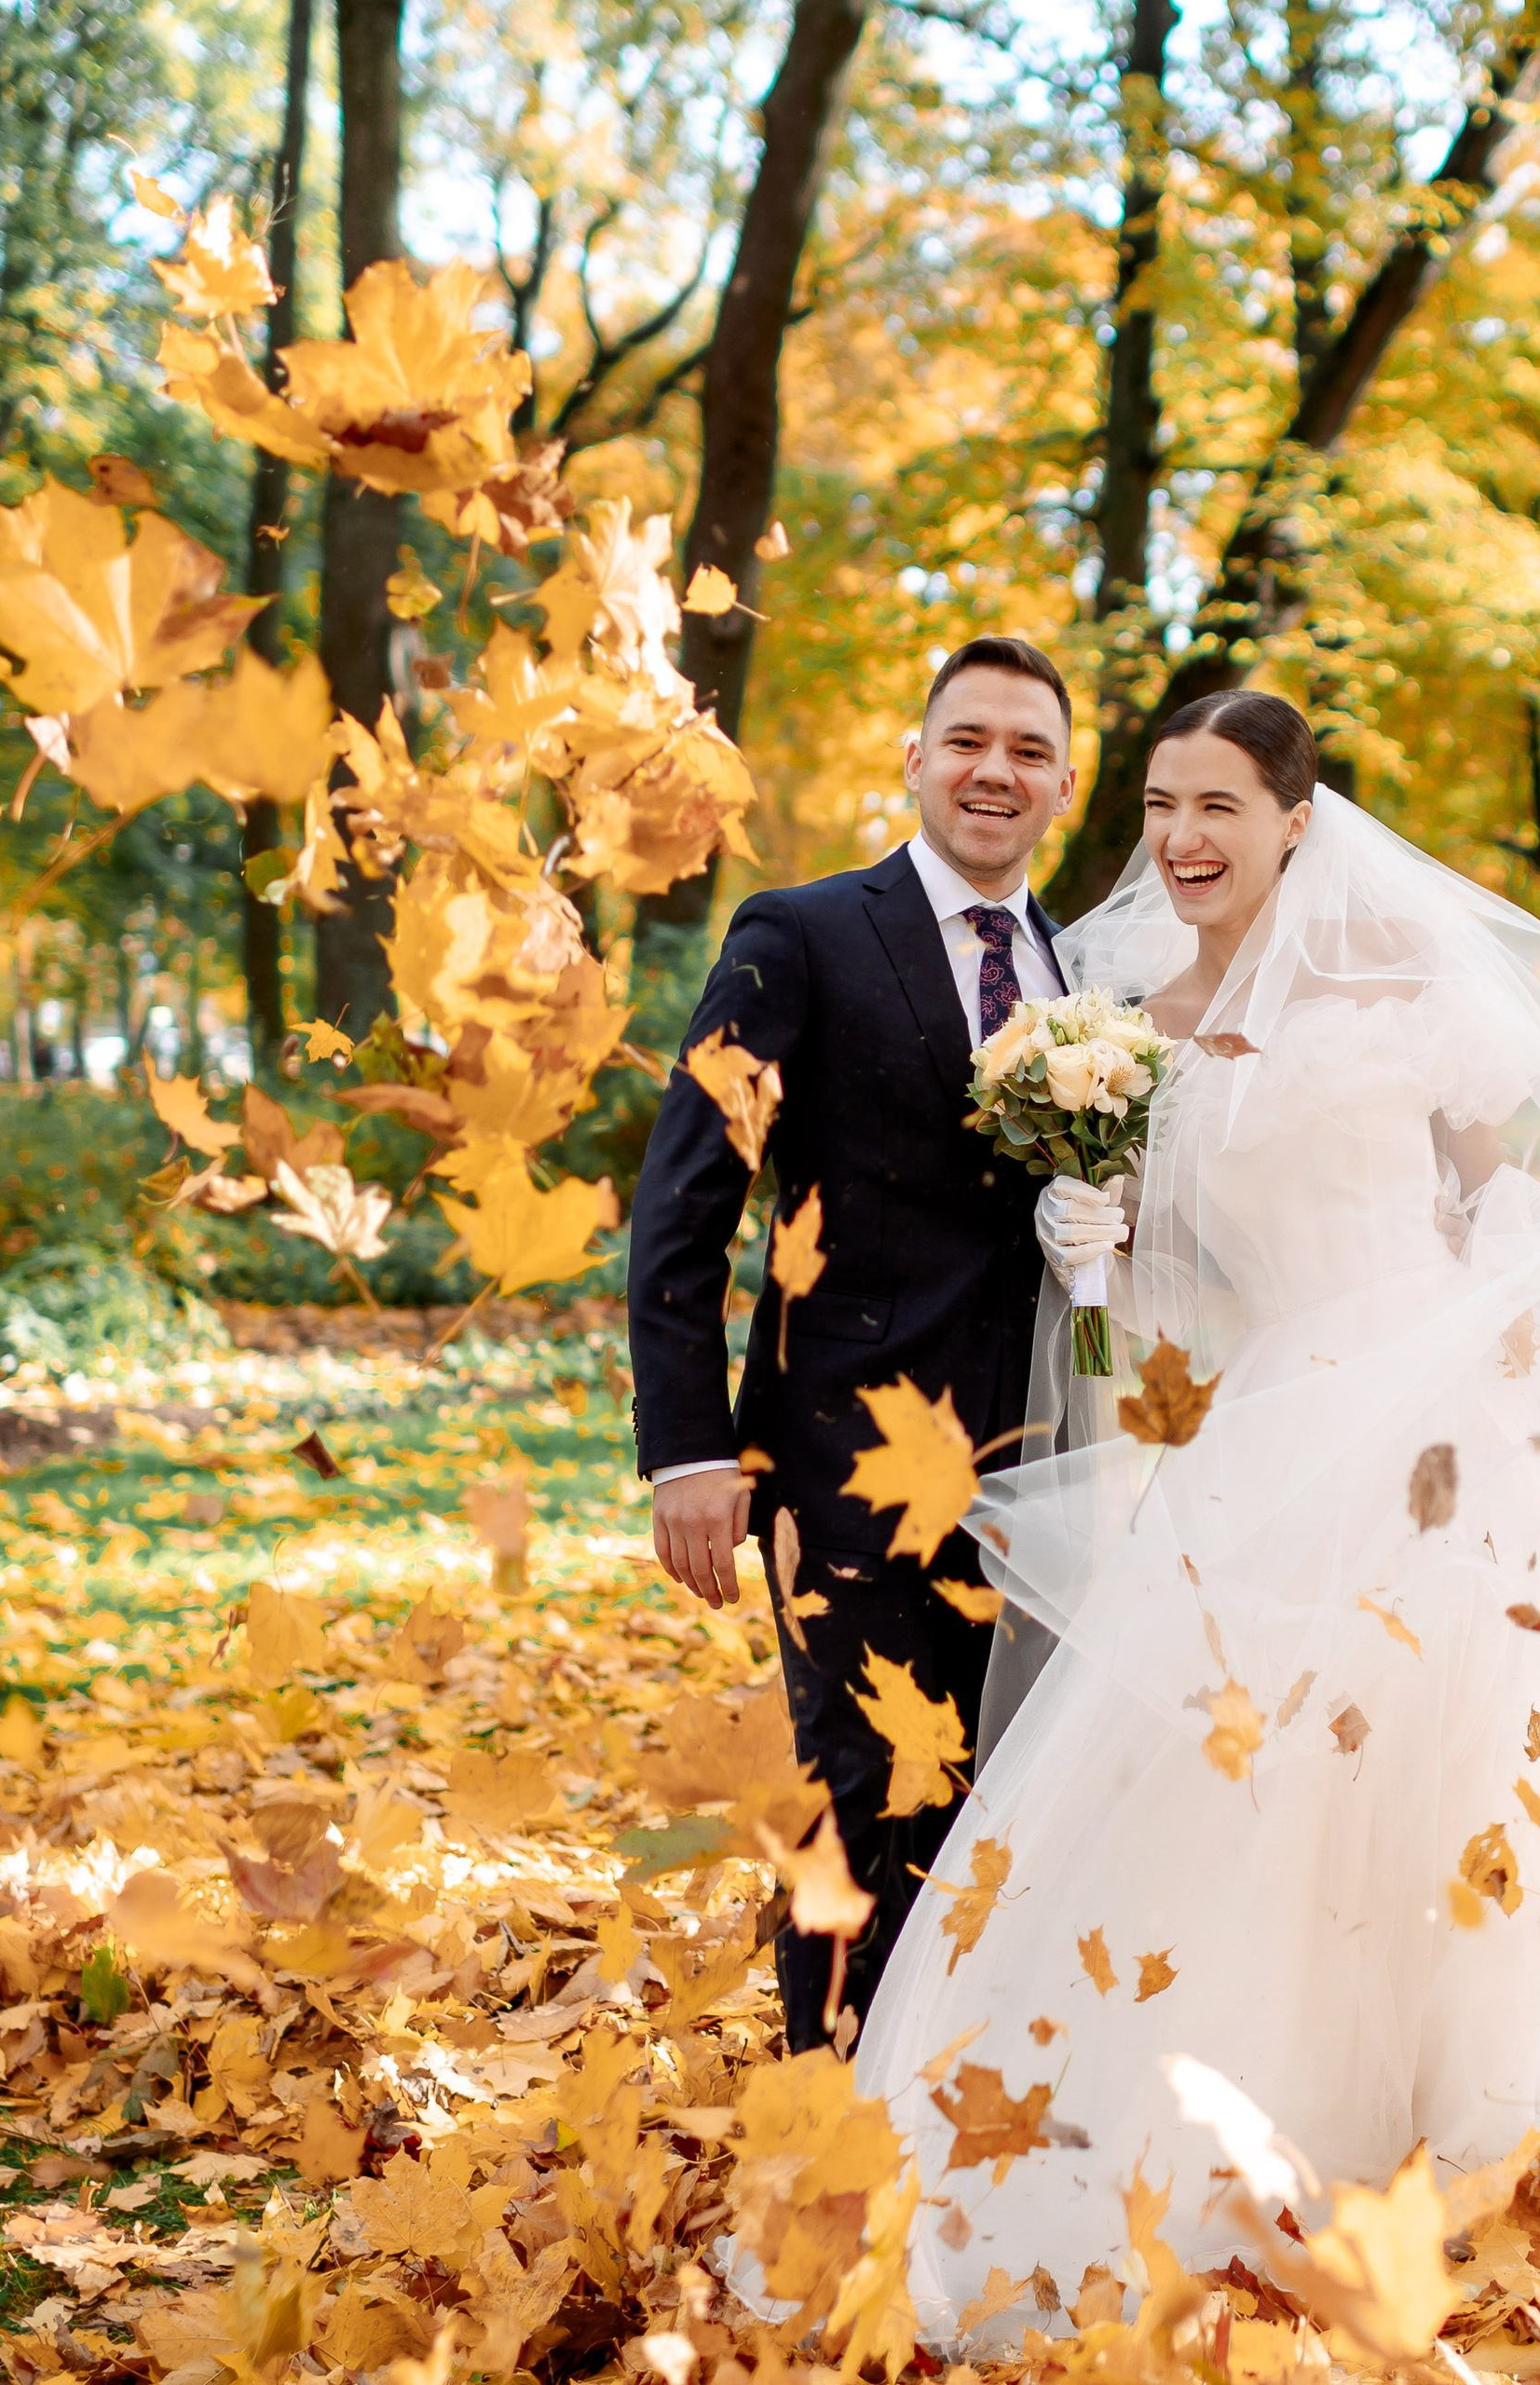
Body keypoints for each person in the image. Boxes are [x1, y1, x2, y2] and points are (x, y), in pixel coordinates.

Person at [852, 690, 1540, 2335]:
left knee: (1438, 1772)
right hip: (1259, 1439)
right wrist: (1089, 1244)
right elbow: (1170, 1301)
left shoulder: (1400, 991)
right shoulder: (1122, 1026)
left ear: (1295, 825)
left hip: (1434, 1433)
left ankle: (1454, 2138)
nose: (1184, 838)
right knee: (1230, 1777)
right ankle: (1214, 2146)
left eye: (1221, 807)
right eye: (1161, 805)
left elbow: (1489, 1194)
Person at [626, 634, 1125, 2051]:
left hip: (1043, 1463)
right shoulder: (798, 935)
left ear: (1064, 786)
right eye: (968, 740)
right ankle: (828, 2123)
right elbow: (686, 1201)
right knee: (858, 1807)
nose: (995, 771)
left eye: (1029, 751)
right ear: (915, 760)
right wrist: (689, 1450)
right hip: (843, 1459)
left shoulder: (1088, 979)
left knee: (1000, 1808)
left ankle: (957, 2110)